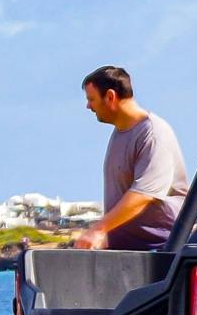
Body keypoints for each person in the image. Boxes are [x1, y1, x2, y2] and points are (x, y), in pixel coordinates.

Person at [72, 65, 190, 251]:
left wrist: (99, 229)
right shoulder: (120, 132)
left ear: (110, 97)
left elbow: (144, 195)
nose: (88, 106)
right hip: (129, 251)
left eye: (91, 99)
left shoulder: (152, 133)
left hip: (162, 251)